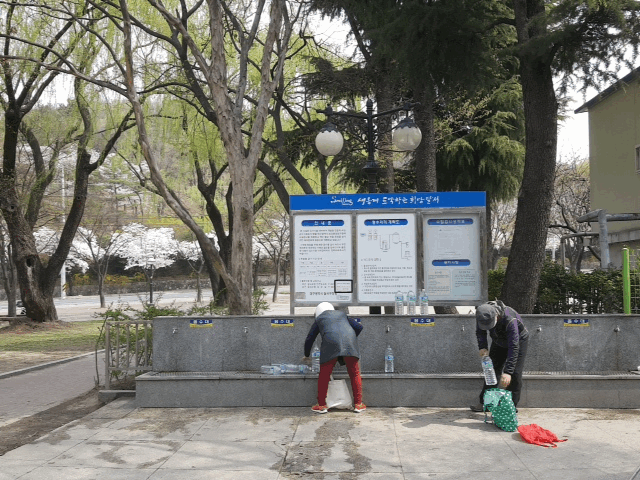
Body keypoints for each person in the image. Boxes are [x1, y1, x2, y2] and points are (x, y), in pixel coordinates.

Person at [302, 302, 366, 414]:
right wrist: (350, 336)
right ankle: (358, 404)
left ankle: (321, 405)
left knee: (324, 375)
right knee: (355, 373)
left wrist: (306, 355)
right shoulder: (342, 314)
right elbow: (359, 327)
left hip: (330, 344)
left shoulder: (319, 319)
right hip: (350, 343)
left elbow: (310, 338)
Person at [470, 300, 529, 412]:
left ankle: (510, 407)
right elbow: (480, 332)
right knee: (491, 371)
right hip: (498, 340)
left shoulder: (510, 320)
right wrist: (483, 347)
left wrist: (508, 372)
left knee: (515, 374)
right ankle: (486, 403)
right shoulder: (481, 314)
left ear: (496, 316)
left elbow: (514, 347)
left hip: (518, 341)